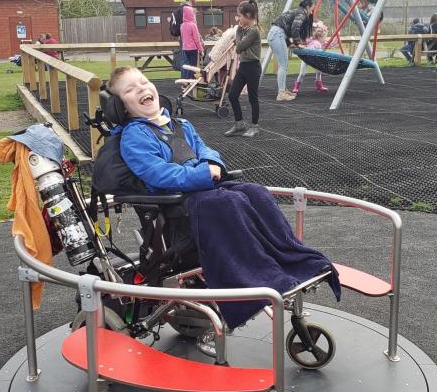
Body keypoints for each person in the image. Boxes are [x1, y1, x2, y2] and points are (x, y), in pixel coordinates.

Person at [105, 66, 340, 328]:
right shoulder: (134, 135)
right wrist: (202, 173)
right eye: (130, 89)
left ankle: (295, 261)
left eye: (144, 82)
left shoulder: (180, 124)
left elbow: (207, 151)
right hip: (178, 210)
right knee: (230, 201)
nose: (141, 88)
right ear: (122, 107)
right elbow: (158, 174)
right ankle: (263, 277)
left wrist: (210, 166)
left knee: (255, 192)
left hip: (203, 194)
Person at [224, 0, 262, 138]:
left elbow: (239, 47)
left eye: (240, 16)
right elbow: (238, 44)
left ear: (247, 15)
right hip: (244, 66)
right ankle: (239, 123)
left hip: (252, 67)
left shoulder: (253, 31)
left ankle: (254, 126)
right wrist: (239, 34)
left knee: (253, 97)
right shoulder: (245, 31)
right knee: (232, 95)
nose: (238, 19)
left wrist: (239, 33)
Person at [268, 0, 314, 101]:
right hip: (277, 35)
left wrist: (290, 43)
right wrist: (297, 42)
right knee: (283, 64)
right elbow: (295, 27)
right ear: (307, 7)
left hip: (275, 33)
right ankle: (281, 93)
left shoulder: (295, 11)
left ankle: (283, 89)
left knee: (283, 64)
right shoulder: (302, 13)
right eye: (311, 9)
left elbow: (286, 27)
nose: (311, 12)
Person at [293, 21, 328, 95]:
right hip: (306, 59)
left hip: (314, 60)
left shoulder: (320, 43)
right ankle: (296, 87)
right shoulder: (311, 40)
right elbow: (306, 36)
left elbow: (328, 44)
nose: (324, 40)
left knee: (319, 72)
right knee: (302, 73)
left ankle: (319, 86)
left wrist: (335, 41)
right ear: (319, 37)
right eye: (323, 38)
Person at [179, 5, 204, 81]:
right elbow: (196, 40)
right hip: (193, 49)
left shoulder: (182, 25)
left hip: (185, 48)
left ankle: (186, 81)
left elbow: (183, 38)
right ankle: (193, 81)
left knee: (187, 66)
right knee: (193, 66)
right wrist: (201, 49)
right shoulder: (193, 25)